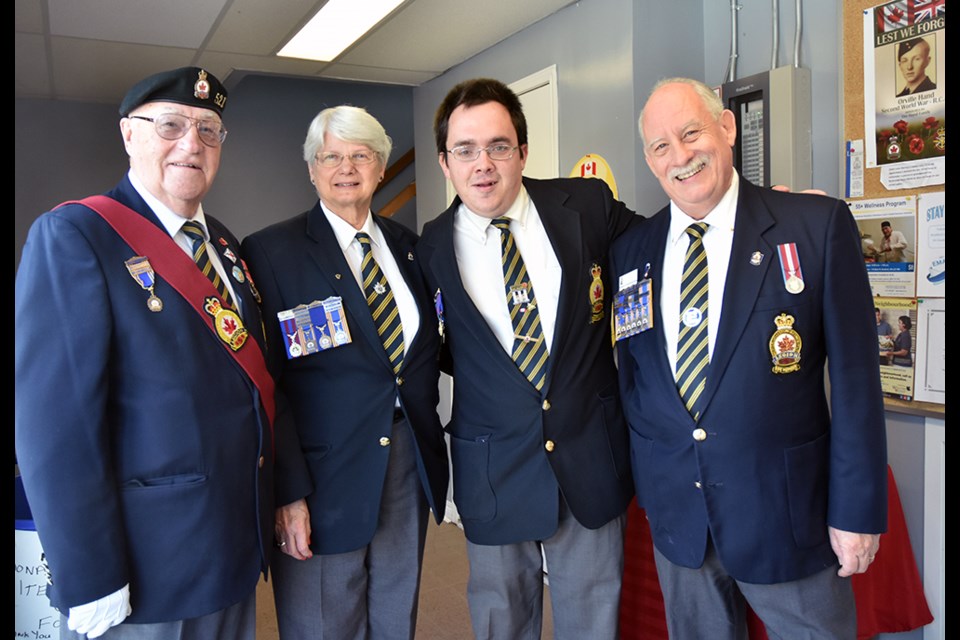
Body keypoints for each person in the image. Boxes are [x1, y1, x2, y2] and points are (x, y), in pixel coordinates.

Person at [612, 77, 887, 639]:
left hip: (788, 516)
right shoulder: (631, 252)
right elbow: (636, 375)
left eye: (691, 133)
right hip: (680, 523)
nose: (681, 156)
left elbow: (858, 382)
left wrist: (857, 512)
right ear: (649, 159)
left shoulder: (815, 226)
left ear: (728, 127)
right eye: (662, 146)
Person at [15, 67, 274, 639]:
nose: (192, 143)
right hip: (146, 569)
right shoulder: (77, 236)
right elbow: (55, 428)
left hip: (231, 546)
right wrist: (91, 579)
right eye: (171, 125)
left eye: (209, 130)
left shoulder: (225, 246)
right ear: (129, 135)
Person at [416, 78, 639, 639]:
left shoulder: (584, 207)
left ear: (523, 151)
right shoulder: (429, 247)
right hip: (493, 468)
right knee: (501, 621)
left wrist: (757, 204)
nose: (483, 164)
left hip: (588, 457)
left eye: (498, 145)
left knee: (592, 622)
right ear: (445, 162)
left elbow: (664, 243)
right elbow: (436, 348)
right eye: (465, 150)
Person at [241, 106, 448, 640]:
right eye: (330, 156)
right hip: (321, 471)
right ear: (312, 170)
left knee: (395, 611)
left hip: (406, 459)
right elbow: (266, 382)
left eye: (361, 155)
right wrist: (287, 492)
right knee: (325, 620)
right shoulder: (270, 251)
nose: (345, 167)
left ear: (381, 167)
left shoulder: (409, 247)